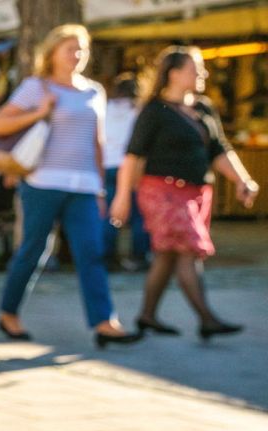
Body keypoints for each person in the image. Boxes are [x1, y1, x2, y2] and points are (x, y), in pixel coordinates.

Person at [0, 24, 140, 347]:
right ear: (53, 53)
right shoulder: (37, 87)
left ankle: (104, 321)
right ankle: (9, 313)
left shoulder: (94, 92)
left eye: (82, 49)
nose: (77, 55)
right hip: (42, 182)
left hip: (84, 184)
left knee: (91, 251)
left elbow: (97, 143)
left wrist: (101, 188)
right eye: (70, 48)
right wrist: (39, 112)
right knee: (34, 251)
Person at [111, 46, 259, 339]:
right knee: (188, 250)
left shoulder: (203, 108)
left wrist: (242, 180)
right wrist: (122, 196)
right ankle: (207, 319)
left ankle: (147, 316)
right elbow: (132, 157)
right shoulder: (154, 111)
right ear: (174, 74)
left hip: (197, 192)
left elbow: (219, 150)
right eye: (196, 68)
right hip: (163, 191)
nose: (202, 74)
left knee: (166, 255)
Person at [102, 75, 150, 271]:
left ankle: (107, 256)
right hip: (132, 166)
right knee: (139, 214)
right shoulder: (140, 111)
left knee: (110, 213)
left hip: (107, 164)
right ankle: (139, 256)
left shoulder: (105, 108)